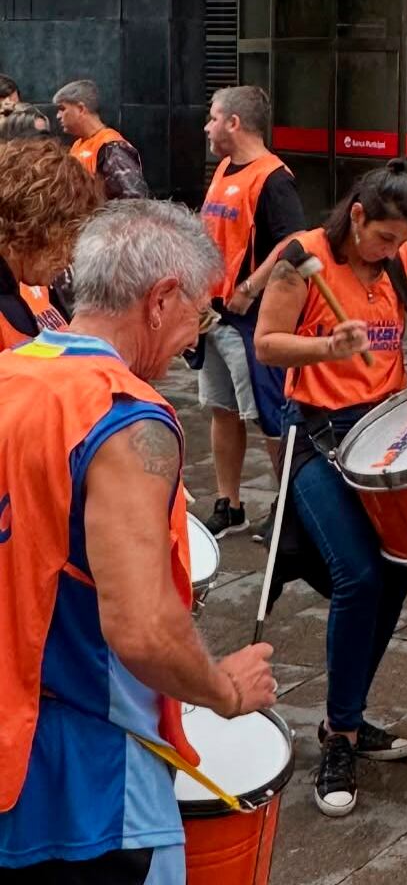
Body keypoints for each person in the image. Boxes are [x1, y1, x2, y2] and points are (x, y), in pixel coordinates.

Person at [0, 200, 277, 884]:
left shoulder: (11, 373)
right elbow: (145, 632)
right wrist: (223, 691)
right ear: (159, 301)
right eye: (199, 315)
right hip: (86, 794)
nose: (193, 341)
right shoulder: (126, 418)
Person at [255, 160, 407, 818]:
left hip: (386, 433)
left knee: (399, 573)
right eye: (383, 238)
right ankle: (340, 738)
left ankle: (345, 720)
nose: (390, 251)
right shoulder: (307, 260)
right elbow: (268, 346)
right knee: (357, 575)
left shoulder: (395, 255)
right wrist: (327, 351)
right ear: (357, 215)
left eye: (399, 241)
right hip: (320, 438)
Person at [198, 85, 308, 542]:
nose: (207, 126)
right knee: (221, 409)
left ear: (233, 123)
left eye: (212, 117)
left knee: (269, 416)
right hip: (214, 316)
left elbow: (294, 240)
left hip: (251, 319)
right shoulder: (225, 167)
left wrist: (249, 287)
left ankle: (293, 510)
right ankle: (231, 504)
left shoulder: (274, 178)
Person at [0, 140, 103, 351]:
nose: (71, 256)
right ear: (44, 226)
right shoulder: (7, 304)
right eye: (70, 237)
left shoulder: (12, 291)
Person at [53, 79, 148, 201]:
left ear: (81, 109)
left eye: (62, 109)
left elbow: (135, 201)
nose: (58, 116)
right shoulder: (78, 145)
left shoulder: (112, 147)